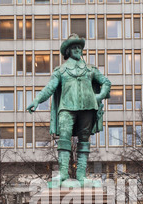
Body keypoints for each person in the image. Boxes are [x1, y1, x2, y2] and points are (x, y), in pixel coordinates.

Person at [26, 33, 111, 187]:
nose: (78, 49)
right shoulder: (61, 70)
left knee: (84, 140)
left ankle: (81, 176)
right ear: (68, 51)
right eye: (75, 47)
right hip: (66, 108)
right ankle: (63, 175)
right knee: (64, 137)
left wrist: (99, 96)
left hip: (88, 108)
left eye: (80, 47)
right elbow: (50, 87)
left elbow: (106, 82)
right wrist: (37, 100)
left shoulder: (90, 69)